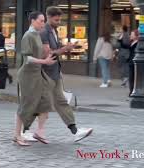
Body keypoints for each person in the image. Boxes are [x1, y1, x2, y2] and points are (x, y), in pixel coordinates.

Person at [22, 6, 93, 143]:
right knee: (40, 103)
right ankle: (24, 131)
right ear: (48, 17)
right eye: (56, 19)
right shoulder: (44, 32)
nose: (59, 21)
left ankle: (75, 131)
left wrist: (66, 49)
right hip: (44, 73)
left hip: (54, 72)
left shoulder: (53, 31)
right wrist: (66, 49)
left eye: (60, 19)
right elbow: (47, 53)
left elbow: (55, 51)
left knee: (60, 101)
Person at [14, 11, 57, 146]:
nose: (43, 23)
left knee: (46, 102)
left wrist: (47, 55)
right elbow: (27, 58)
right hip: (27, 75)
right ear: (32, 21)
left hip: (38, 74)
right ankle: (17, 135)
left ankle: (39, 132)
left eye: (44, 21)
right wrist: (44, 62)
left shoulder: (37, 34)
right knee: (26, 105)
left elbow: (40, 54)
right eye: (41, 21)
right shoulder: (28, 36)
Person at [127, 29, 139, 98]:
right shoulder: (132, 42)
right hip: (131, 62)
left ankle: (133, 92)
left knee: (133, 78)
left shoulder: (138, 43)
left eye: (132, 34)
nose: (130, 35)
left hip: (135, 63)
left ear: (136, 36)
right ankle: (131, 91)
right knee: (131, 78)